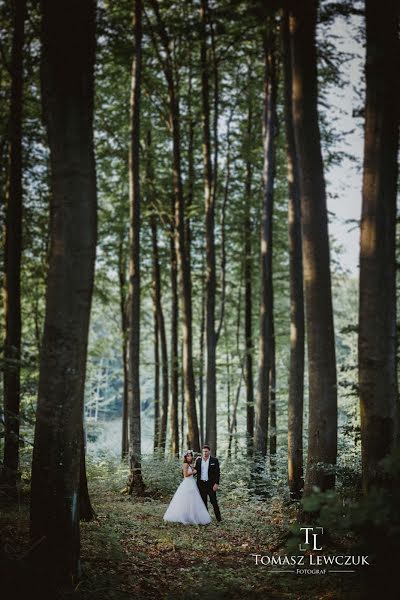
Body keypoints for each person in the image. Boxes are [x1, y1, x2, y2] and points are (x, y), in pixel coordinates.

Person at [163, 450, 211, 525]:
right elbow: (185, 475)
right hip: (187, 483)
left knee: (192, 500)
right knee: (186, 500)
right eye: (188, 456)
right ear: (185, 457)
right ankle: (184, 516)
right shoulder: (185, 464)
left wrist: (197, 460)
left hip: (192, 483)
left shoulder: (189, 464)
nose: (190, 457)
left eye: (190, 455)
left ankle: (191, 515)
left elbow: (193, 467)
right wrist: (194, 472)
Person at [194, 444, 222, 522]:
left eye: (206, 451)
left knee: (214, 502)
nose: (205, 453)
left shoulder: (214, 460)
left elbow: (217, 473)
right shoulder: (199, 460)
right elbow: (195, 471)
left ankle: (219, 519)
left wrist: (216, 484)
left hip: (211, 485)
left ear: (209, 451)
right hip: (201, 484)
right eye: (203, 451)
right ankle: (205, 519)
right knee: (203, 502)